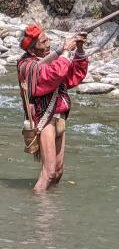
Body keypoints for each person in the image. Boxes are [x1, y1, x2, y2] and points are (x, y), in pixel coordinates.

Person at [17, 24, 89, 193]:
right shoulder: (26, 66)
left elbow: (72, 76)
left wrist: (78, 50)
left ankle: (50, 206)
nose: (48, 44)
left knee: (58, 172)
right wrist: (64, 53)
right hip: (44, 119)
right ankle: (40, 214)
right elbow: (52, 76)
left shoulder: (50, 59)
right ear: (33, 49)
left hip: (58, 117)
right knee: (48, 173)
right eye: (43, 42)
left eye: (47, 39)